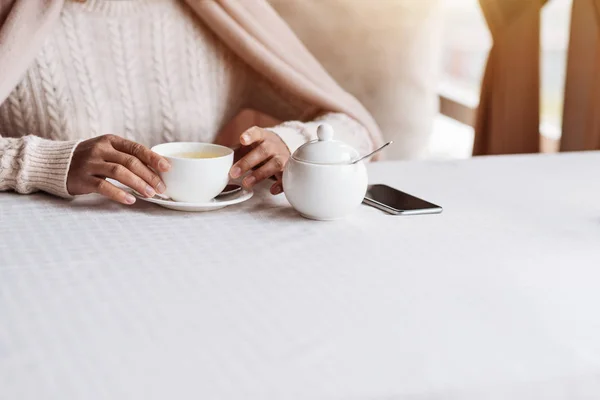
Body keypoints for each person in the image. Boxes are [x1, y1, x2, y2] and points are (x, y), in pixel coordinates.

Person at [0, 0, 383, 205]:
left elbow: (354, 128)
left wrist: (290, 143)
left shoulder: (223, 17)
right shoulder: (13, 17)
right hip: (50, 260)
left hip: (200, 257)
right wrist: (45, 163)